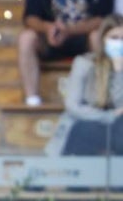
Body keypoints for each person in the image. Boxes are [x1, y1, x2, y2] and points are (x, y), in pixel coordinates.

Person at [46, 15, 123, 156]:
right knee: (84, 129)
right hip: (87, 124)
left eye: (122, 39)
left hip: (117, 131)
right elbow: (72, 106)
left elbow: (120, 108)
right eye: (114, 38)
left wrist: (119, 71)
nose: (119, 43)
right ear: (103, 40)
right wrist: (107, 116)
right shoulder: (84, 63)